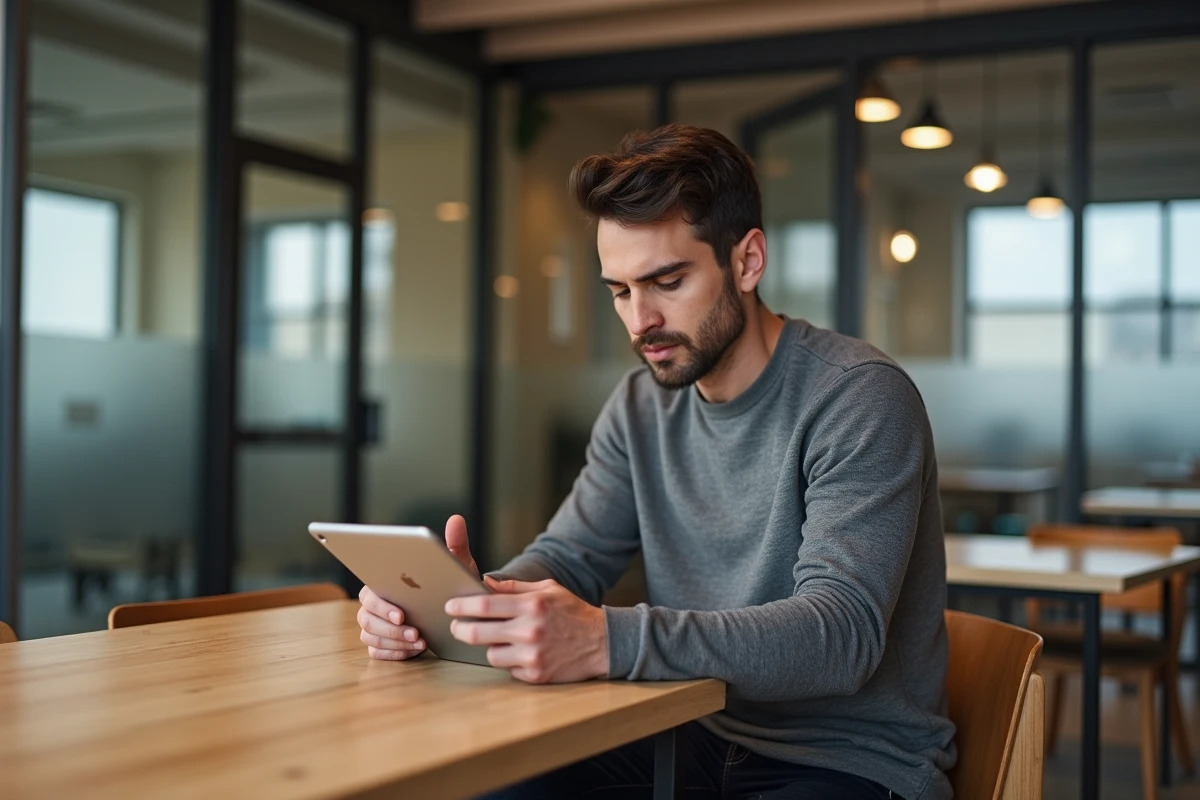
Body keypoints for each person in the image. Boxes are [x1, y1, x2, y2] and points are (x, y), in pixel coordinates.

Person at [356, 124, 956, 799]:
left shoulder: (857, 396)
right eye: (619, 291)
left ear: (747, 261)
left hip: (843, 760)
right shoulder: (641, 403)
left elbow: (840, 635)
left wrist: (608, 639)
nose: (640, 321)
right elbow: (571, 558)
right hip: (686, 732)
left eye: (666, 281)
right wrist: (462, 604)